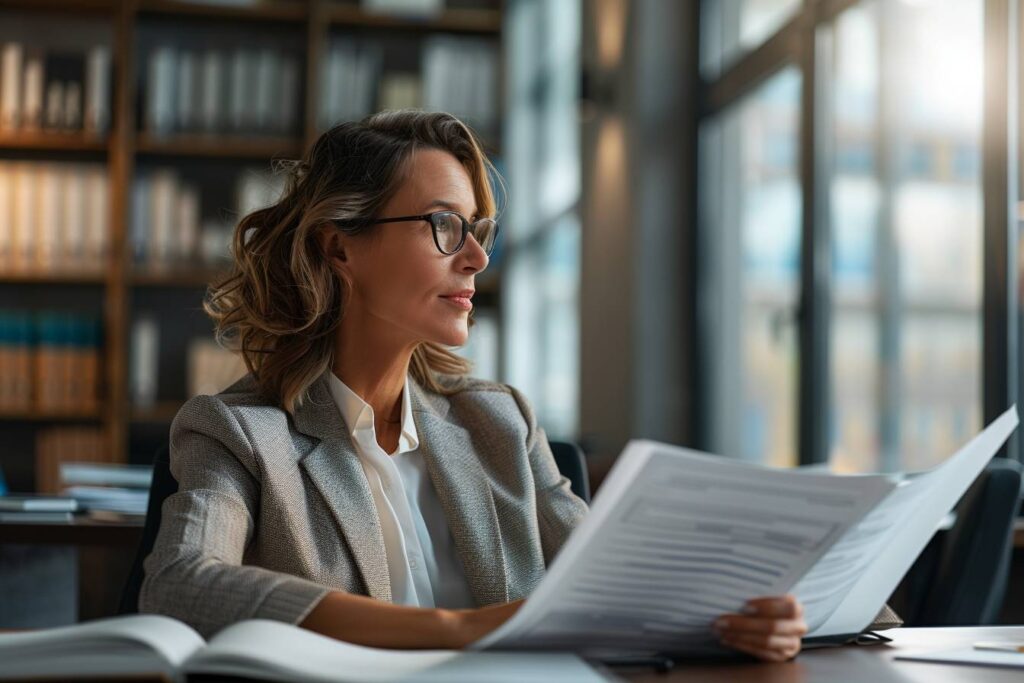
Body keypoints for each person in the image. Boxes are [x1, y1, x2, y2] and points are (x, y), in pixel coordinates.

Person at [138, 110, 807, 662]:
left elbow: (609, 583)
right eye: (444, 225)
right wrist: (463, 629)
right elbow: (180, 583)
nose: (477, 258)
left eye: (477, 229)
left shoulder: (499, 422)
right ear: (339, 249)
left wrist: (739, 614)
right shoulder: (238, 433)